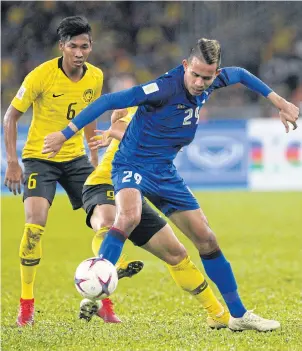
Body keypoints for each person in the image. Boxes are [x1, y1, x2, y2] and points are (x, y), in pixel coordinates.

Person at [42, 38, 300, 331]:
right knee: (129, 216)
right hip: (131, 163)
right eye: (196, 75)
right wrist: (65, 133)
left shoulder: (212, 81)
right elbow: (108, 101)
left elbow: (240, 73)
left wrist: (280, 103)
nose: (201, 82)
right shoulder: (163, 88)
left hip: (164, 171)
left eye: (208, 76)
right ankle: (96, 287)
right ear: (185, 66)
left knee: (206, 239)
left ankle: (238, 315)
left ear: (215, 74)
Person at [3, 16, 141, 327]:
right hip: (40, 158)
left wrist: (93, 156)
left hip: (76, 159)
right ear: (62, 46)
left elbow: (89, 115)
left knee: (106, 222)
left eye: (85, 46)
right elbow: (11, 117)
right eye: (74, 46)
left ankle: (105, 301)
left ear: (91, 47)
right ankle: (26, 305)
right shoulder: (40, 76)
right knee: (34, 227)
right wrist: (13, 161)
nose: (80, 52)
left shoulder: (95, 76)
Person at [79, 106, 230, 328]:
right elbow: (118, 127)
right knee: (109, 223)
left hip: (133, 191)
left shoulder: (175, 120)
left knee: (176, 254)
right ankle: (116, 266)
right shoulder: (143, 108)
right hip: (104, 183)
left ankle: (217, 314)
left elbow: (117, 118)